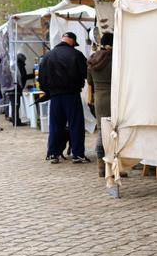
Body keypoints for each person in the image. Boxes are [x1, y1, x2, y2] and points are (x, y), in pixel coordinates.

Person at [39, 31, 89, 164]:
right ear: (72, 41)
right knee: (76, 124)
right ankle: (77, 154)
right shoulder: (76, 54)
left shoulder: (47, 56)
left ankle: (53, 153)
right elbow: (85, 74)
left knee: (55, 125)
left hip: (55, 95)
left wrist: (47, 91)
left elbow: (41, 79)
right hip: (72, 94)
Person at [87, 32, 113, 178]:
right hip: (114, 97)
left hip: (99, 98)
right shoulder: (114, 58)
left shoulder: (92, 59)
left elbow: (89, 81)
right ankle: (114, 166)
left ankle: (101, 167)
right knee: (115, 132)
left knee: (102, 131)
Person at [9, 53, 29, 126]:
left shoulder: (14, 65)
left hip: (12, 88)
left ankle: (15, 120)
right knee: (16, 105)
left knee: (15, 105)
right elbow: (23, 77)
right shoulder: (19, 66)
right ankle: (16, 121)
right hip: (16, 89)